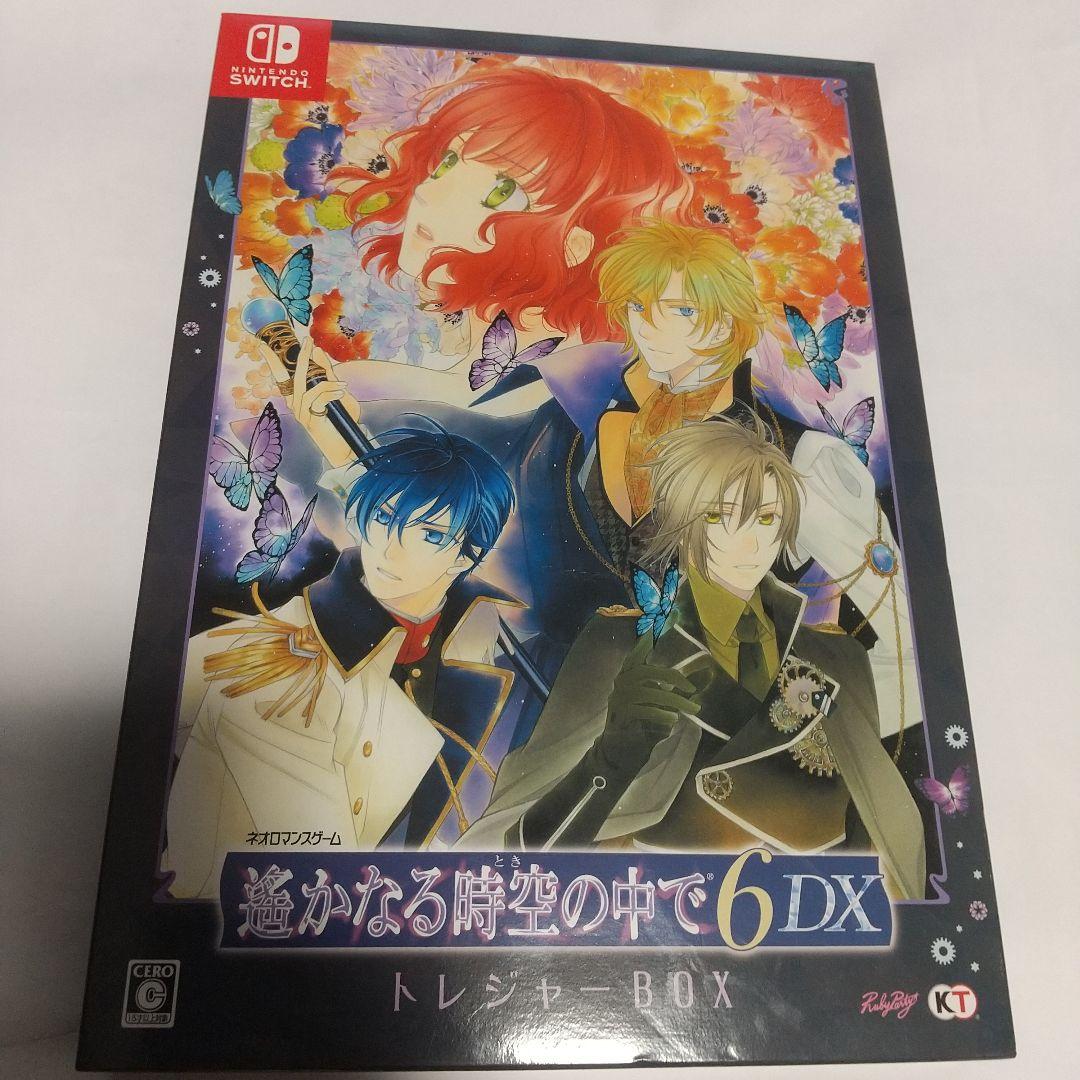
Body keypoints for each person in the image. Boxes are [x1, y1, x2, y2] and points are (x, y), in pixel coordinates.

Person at [460, 416, 926, 901]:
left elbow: (877, 825)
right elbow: (521, 851)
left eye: (767, 518)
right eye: (721, 516)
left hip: (810, 912)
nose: (750, 542)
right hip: (673, 905)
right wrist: (614, 752)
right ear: (682, 523)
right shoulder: (620, 642)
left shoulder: (837, 656)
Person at [163, 423, 519, 898]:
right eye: (384, 515)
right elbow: (325, 873)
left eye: (431, 535)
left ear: (465, 557)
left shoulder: (473, 631)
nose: (391, 548)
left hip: (394, 900)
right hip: (265, 914)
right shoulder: (281, 669)